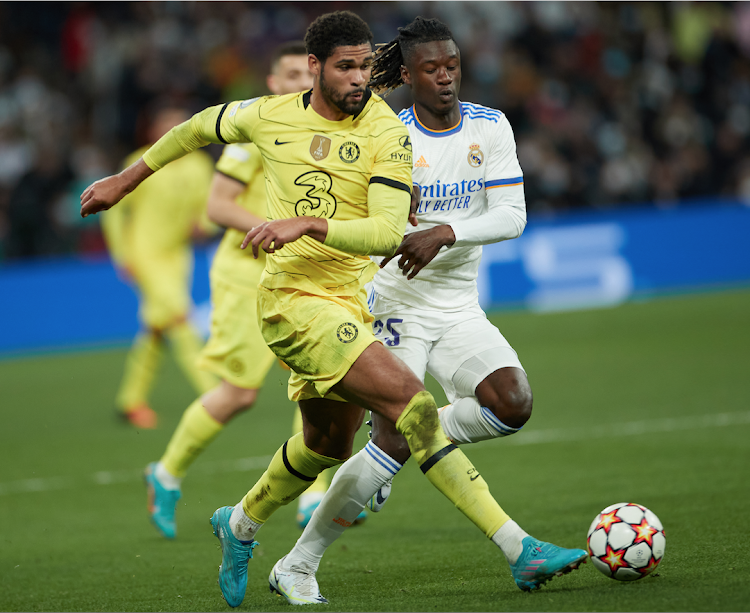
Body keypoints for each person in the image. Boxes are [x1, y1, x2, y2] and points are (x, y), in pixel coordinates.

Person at [81, 11, 585, 609]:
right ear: (314, 68)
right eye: (345, 66)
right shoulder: (268, 116)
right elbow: (194, 129)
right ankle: (518, 548)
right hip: (292, 300)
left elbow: (386, 232)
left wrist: (311, 222)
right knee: (413, 409)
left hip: (351, 298)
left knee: (326, 446)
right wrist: (127, 178)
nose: (357, 79)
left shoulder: (386, 132)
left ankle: (238, 524)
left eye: (366, 66)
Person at [269, 16, 588, 604]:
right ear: (410, 76)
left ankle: (396, 442)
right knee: (391, 442)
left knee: (512, 404)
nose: (446, 78)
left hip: (459, 304)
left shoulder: (490, 127)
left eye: (453, 67)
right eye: (432, 70)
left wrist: (445, 231)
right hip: (393, 303)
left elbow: (512, 216)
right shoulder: (387, 134)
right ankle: (298, 563)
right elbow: (364, 217)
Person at [143, 42, 357, 540]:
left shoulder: (327, 132)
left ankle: (311, 495)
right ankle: (166, 472)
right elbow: (218, 207)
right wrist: (278, 227)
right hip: (245, 274)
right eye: (288, 77)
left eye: (306, 76)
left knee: (317, 383)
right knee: (238, 394)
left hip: (299, 273)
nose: (299, 86)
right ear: (271, 83)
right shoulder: (255, 134)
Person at [100, 102, 217, 429]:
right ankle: (212, 397)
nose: (173, 132)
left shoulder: (198, 167)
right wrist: (122, 255)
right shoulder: (138, 163)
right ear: (153, 132)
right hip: (146, 254)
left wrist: (202, 225)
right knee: (180, 319)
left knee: (155, 329)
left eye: (179, 126)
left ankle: (130, 401)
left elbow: (208, 209)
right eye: (166, 126)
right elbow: (114, 211)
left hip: (177, 257)